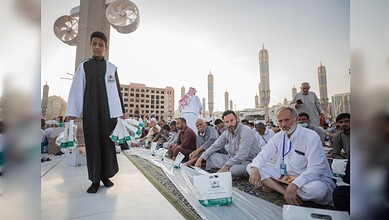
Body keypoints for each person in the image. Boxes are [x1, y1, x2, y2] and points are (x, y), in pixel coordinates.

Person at [65, 31, 125, 194]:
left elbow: (118, 91)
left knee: (107, 144)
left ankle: (106, 176)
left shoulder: (112, 68)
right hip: (91, 111)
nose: (97, 47)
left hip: (108, 112)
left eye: (101, 44)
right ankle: (94, 179)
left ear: (106, 47)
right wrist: (72, 111)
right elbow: (77, 89)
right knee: (93, 144)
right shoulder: (84, 66)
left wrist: (122, 112)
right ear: (90, 45)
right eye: (94, 44)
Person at [247, 106, 335, 206]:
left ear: (296, 120)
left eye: (287, 120)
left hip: (307, 179)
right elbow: (263, 154)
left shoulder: (310, 136)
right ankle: (284, 191)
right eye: (280, 121)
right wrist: (255, 169)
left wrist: (295, 185)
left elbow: (316, 168)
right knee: (251, 167)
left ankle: (278, 187)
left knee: (319, 190)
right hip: (285, 177)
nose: (284, 124)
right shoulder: (279, 136)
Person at [195, 110, 260, 178]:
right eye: (227, 122)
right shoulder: (228, 132)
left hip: (248, 161)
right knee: (211, 157)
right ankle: (230, 172)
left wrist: (225, 166)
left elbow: (242, 155)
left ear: (237, 118)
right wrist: (201, 158)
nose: (229, 124)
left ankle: (233, 172)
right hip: (233, 159)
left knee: (233, 169)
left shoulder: (245, 130)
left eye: (231, 120)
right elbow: (215, 145)